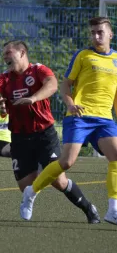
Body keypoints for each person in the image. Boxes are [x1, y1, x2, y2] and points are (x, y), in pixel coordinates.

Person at [0, 39, 100, 223]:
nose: (4, 56)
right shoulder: (4, 78)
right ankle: (37, 176)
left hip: (44, 134)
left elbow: (52, 85)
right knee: (25, 186)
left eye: (8, 53)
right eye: (4, 53)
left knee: (59, 181)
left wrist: (33, 98)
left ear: (22, 53)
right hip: (20, 138)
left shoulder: (38, 70)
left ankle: (88, 208)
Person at [22, 17, 117, 225]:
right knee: (66, 162)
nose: (96, 36)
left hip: (105, 119)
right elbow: (65, 86)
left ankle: (113, 209)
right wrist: (70, 104)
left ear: (111, 34)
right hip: (79, 117)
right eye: (92, 32)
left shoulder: (116, 60)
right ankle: (31, 191)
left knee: (116, 157)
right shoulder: (83, 55)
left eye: (100, 32)